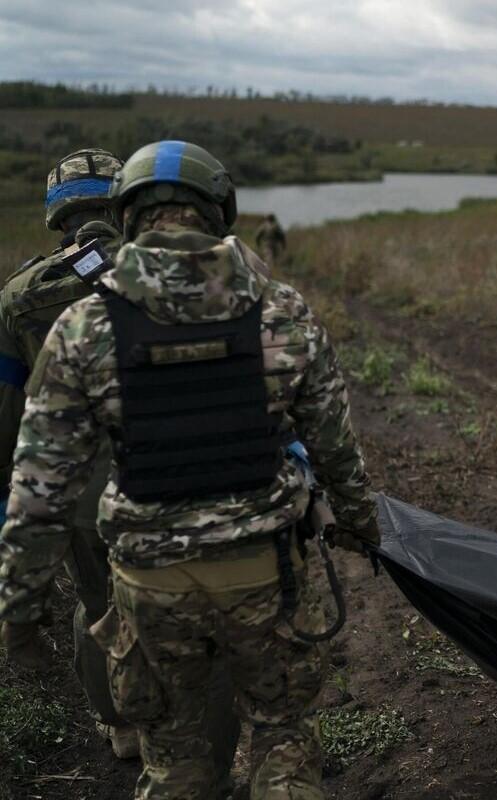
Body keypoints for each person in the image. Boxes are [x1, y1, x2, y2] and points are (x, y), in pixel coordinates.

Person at [0, 139, 379, 798]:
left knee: (172, 752)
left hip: (148, 584)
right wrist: (359, 526)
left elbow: (40, 491)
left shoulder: (85, 327)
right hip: (265, 574)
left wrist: (19, 610)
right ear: (219, 209)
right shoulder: (282, 310)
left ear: (128, 216)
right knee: (283, 736)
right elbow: (335, 449)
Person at [0, 148, 139, 756]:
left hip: (77, 484)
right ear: (122, 202)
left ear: (57, 214)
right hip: (169, 471)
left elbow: (9, 412)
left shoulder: (19, 296)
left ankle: (123, 725)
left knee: (98, 601)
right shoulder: (166, 270)